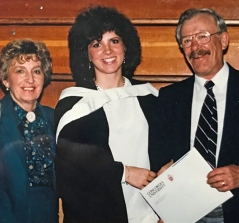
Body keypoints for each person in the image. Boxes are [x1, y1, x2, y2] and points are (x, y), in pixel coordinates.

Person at [54, 5, 164, 223]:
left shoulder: (150, 97)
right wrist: (125, 173)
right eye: (97, 44)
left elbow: (167, 150)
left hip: (150, 213)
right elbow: (71, 166)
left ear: (126, 46)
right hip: (98, 213)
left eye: (114, 41)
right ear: (86, 53)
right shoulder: (75, 104)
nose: (107, 51)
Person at [153, 8, 239, 223]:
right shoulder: (169, 97)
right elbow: (159, 157)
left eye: (202, 37)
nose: (195, 47)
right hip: (184, 214)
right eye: (187, 41)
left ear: (224, 40)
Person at [0, 39, 58, 223]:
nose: (30, 79)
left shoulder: (54, 118)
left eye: (36, 71)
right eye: (20, 71)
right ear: (6, 79)